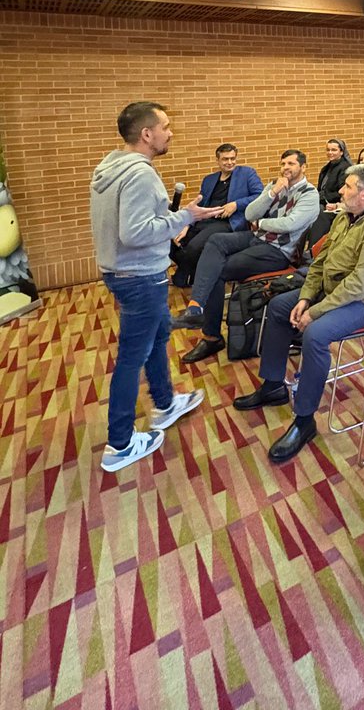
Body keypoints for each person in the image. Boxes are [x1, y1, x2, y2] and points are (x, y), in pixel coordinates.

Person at [233, 165, 364, 462]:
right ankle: (273, 385)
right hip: (332, 291)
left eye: (347, 186)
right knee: (279, 306)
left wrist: (315, 310)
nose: (341, 191)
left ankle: (304, 420)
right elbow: (319, 263)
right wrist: (306, 297)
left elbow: (359, 285)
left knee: (315, 333)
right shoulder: (346, 217)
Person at [90, 102, 219, 471]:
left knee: (159, 334)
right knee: (132, 357)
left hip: (125, 273)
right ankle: (119, 445)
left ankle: (164, 404)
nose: (170, 132)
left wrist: (173, 218)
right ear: (147, 134)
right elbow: (134, 233)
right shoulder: (140, 174)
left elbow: (135, 224)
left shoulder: (109, 167)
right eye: (165, 126)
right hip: (140, 277)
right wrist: (184, 216)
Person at [176, 150, 319, 361]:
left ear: (303, 167)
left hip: (278, 251)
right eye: (283, 164)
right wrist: (272, 193)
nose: (285, 168)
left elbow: (290, 224)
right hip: (256, 238)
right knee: (215, 239)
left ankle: (211, 337)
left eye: (291, 164)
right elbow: (249, 213)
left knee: (217, 271)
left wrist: (260, 223)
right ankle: (195, 307)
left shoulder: (310, 194)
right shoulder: (275, 186)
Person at [169, 144, 264, 287]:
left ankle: (182, 277)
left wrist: (236, 204)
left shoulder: (247, 173)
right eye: (225, 159)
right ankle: (193, 272)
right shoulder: (209, 180)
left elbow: (260, 195)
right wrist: (187, 224)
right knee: (171, 241)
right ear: (217, 161)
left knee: (194, 247)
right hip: (205, 220)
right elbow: (200, 206)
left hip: (228, 223)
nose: (230, 162)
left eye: (233, 158)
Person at [309, 138, 352, 246]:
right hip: (322, 201)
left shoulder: (345, 168)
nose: (330, 152)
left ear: (341, 152)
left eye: (334, 150)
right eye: (328, 150)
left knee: (318, 213)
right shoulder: (326, 168)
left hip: (336, 205)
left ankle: (313, 248)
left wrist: (322, 197)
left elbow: (342, 192)